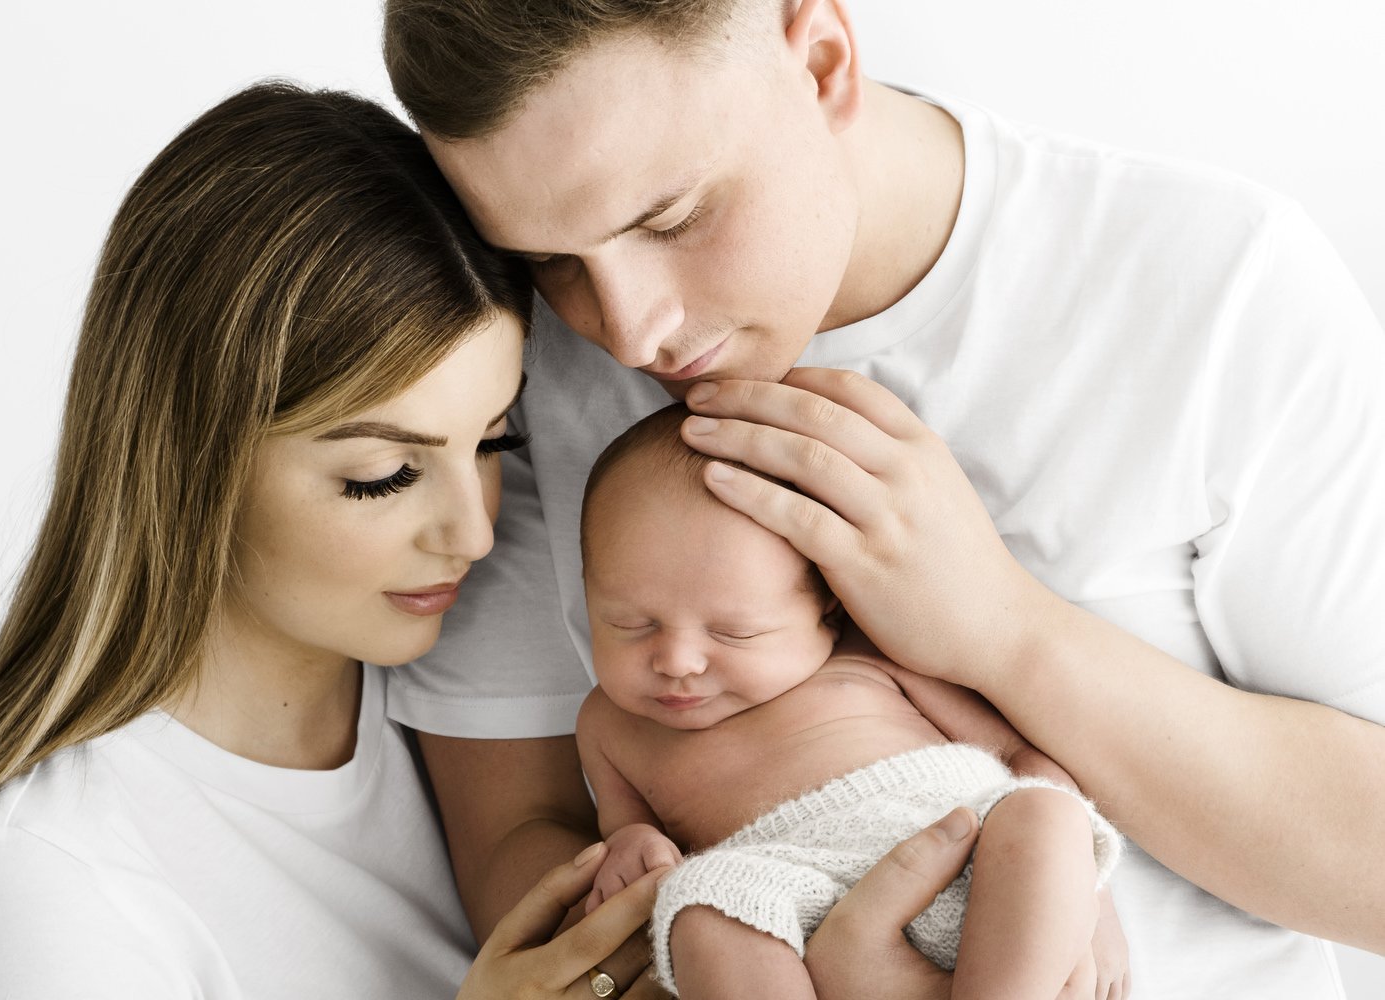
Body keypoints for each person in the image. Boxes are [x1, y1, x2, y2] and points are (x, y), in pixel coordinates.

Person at [382, 1, 1385, 997]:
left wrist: (1004, 629)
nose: (631, 331)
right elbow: (518, 852)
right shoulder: (506, 371)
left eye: (670, 218)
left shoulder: (1220, 282)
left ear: (822, 63)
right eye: (549, 259)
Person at [0, 80, 690, 998]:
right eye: (381, 475)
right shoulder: (42, 894)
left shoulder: (495, 718)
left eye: (494, 442)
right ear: (189, 457)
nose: (474, 533)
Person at [576, 404, 1126, 999]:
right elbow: (625, 833)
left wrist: (1087, 893)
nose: (678, 661)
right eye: (629, 624)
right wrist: (633, 846)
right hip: (788, 900)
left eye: (734, 633)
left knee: (1044, 809)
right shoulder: (608, 724)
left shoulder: (874, 656)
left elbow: (1020, 755)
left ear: (828, 607)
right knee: (703, 907)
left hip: (971, 860)